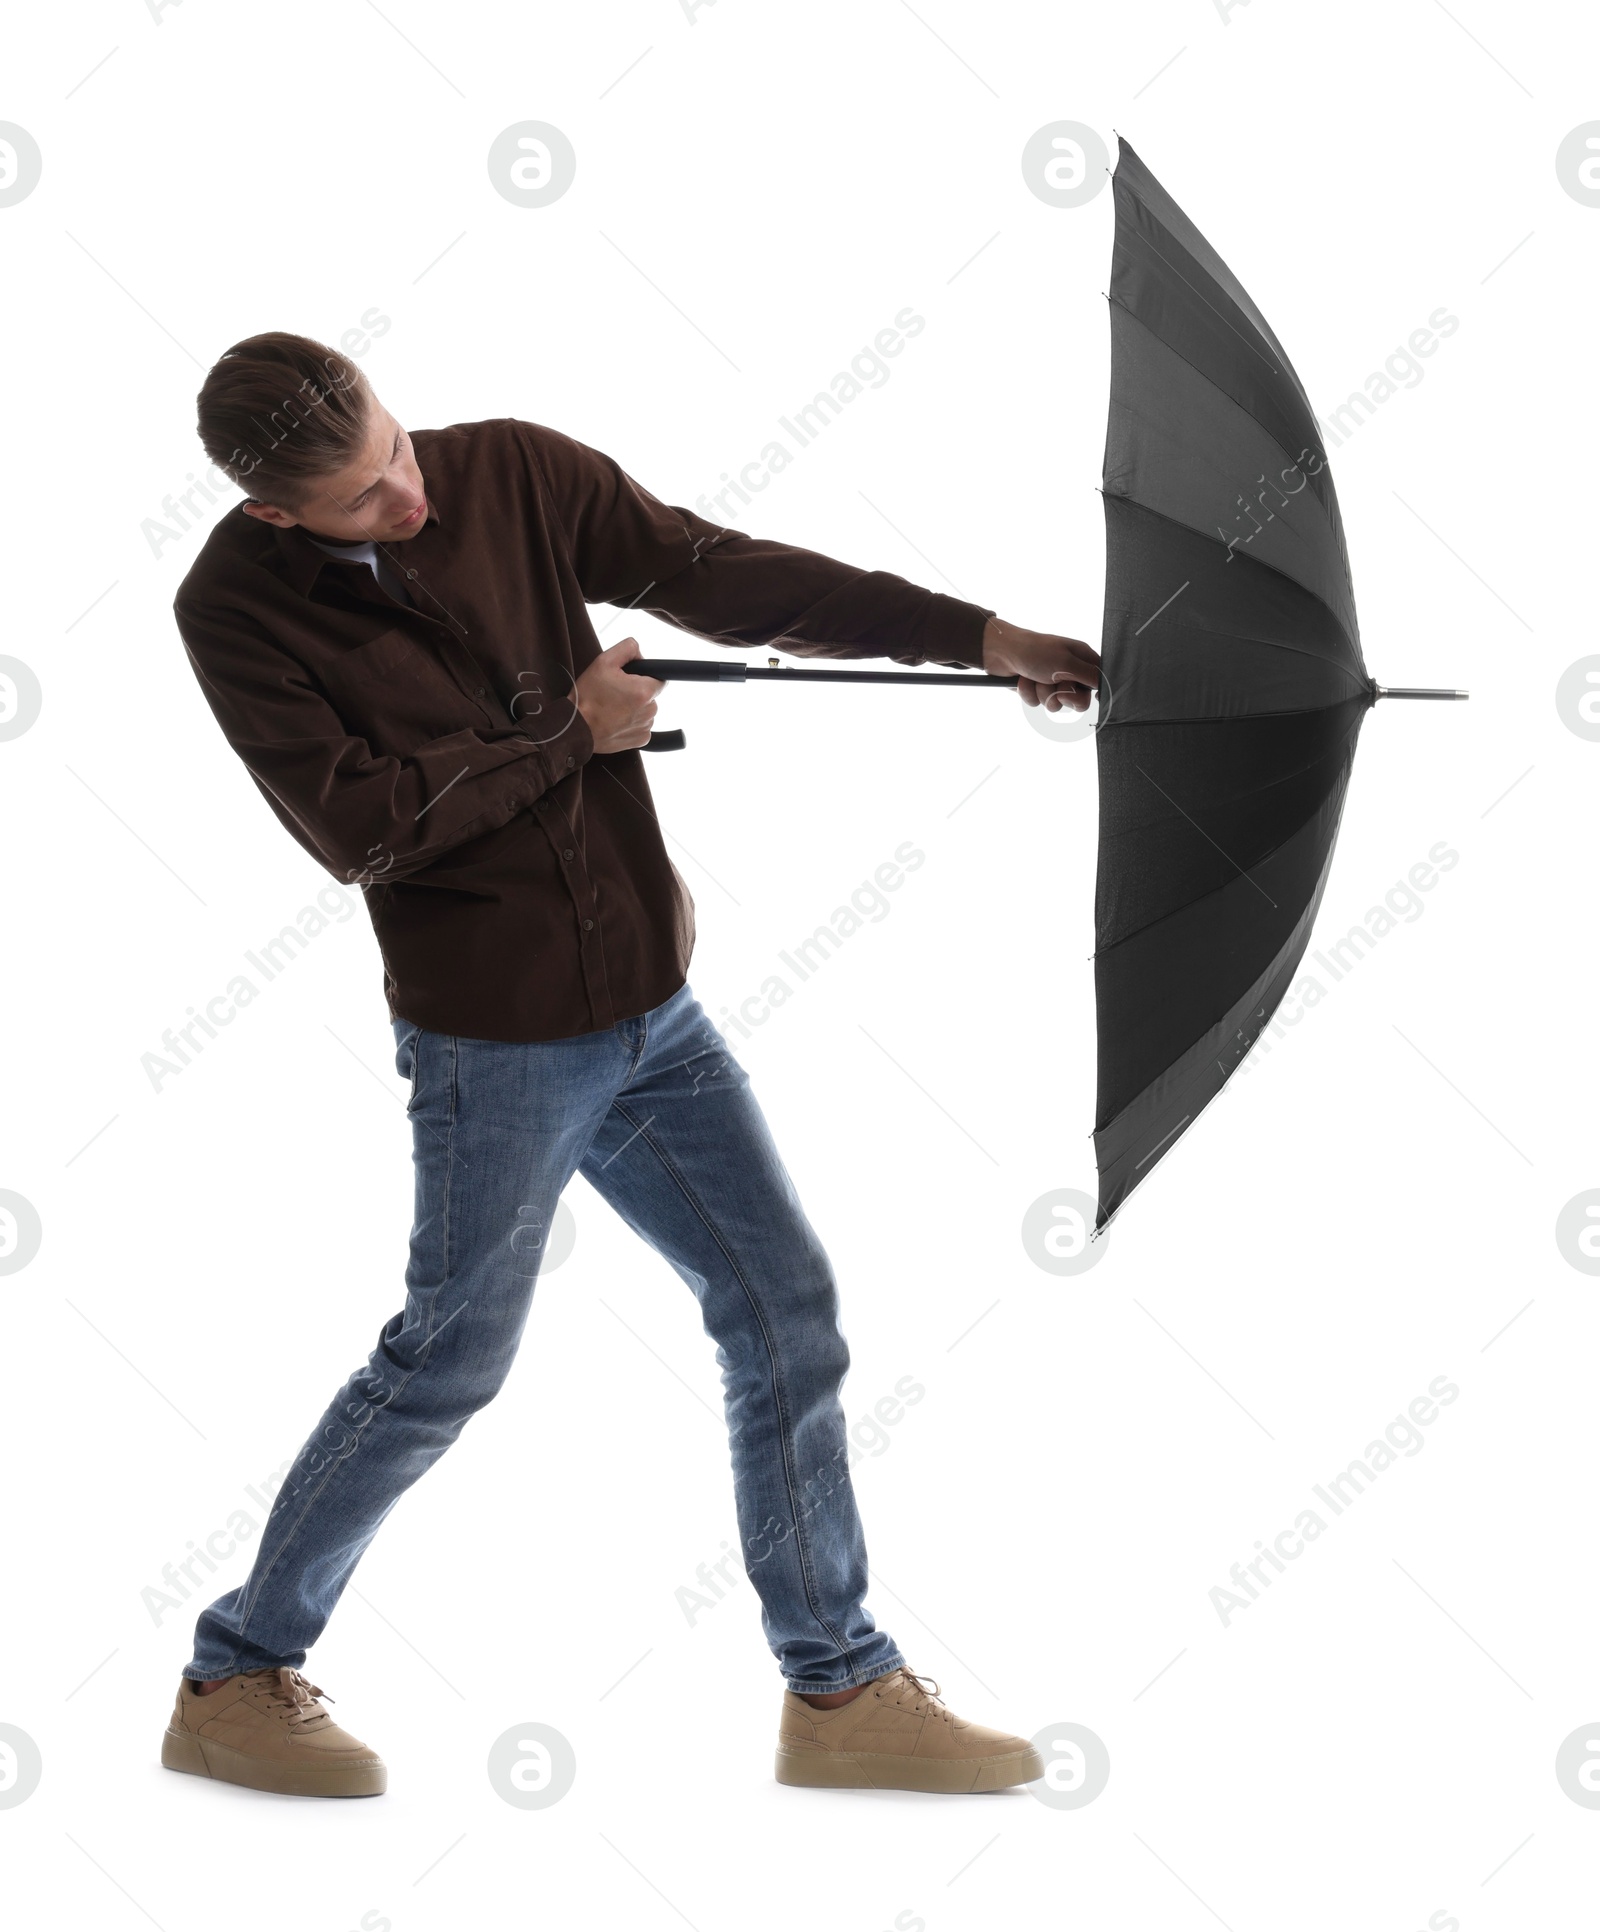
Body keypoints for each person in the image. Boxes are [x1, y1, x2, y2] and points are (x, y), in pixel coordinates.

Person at [159, 331, 1099, 1799]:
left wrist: (988, 639)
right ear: (279, 515)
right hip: (496, 1041)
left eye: (399, 453)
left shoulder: (514, 470)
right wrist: (565, 732)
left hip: (652, 1011)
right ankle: (235, 1673)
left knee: (783, 1301)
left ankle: (839, 1693)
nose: (408, 498)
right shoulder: (228, 606)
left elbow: (734, 574)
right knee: (451, 1360)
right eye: (359, 500)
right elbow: (358, 830)